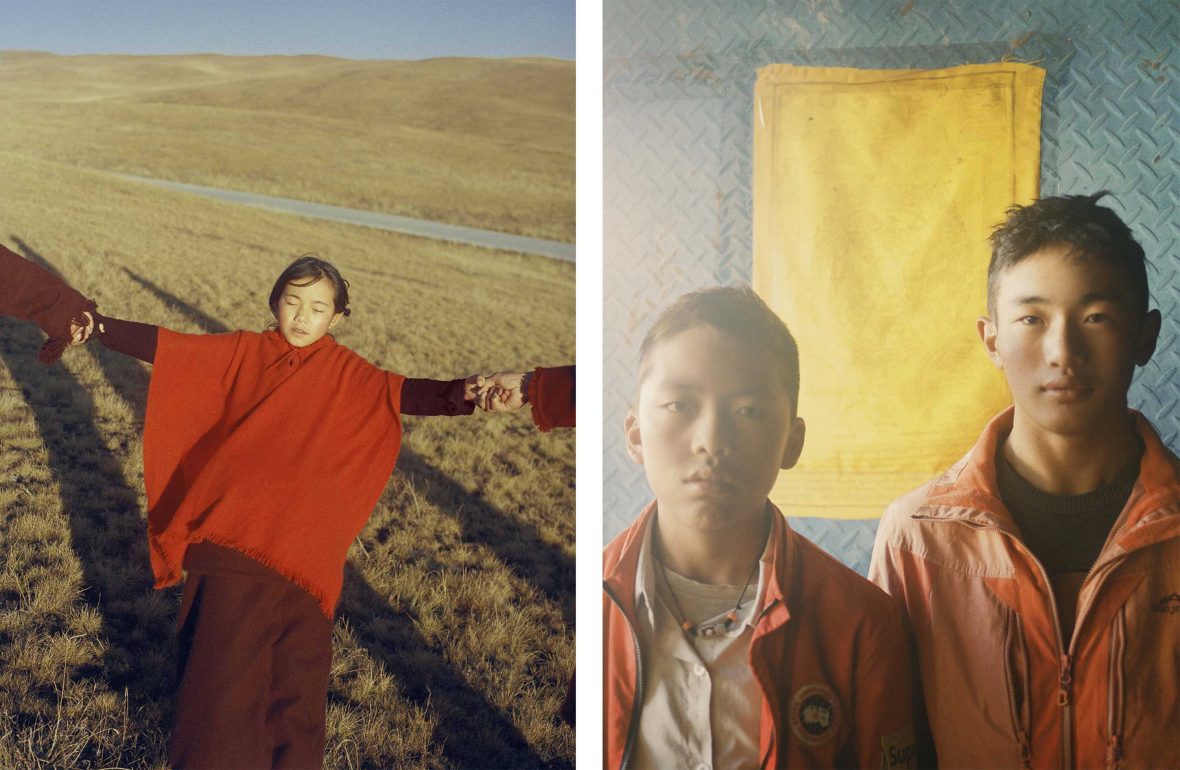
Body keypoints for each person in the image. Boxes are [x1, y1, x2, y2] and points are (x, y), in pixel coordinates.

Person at [14, 253, 524, 769]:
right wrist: (99, 326)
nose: (303, 317)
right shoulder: (242, 351)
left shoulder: (352, 375)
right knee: (222, 691)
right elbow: (169, 346)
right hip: (233, 547)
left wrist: (470, 394)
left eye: (318, 308)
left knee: (293, 698)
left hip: (305, 564)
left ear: (338, 318)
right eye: (293, 302)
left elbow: (410, 393)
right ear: (274, 302)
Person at [869, 192, 1179, 769]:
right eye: (1031, 319)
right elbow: (893, 745)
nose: (1063, 351)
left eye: (1096, 318)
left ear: (1145, 335)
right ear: (992, 340)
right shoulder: (919, 539)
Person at [604, 286, 918, 770]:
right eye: (680, 406)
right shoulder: (589, 599)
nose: (711, 441)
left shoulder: (861, 623)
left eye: (748, 411)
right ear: (635, 434)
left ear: (792, 442)